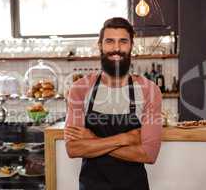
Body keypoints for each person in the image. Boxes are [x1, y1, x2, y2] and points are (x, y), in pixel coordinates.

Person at [64, 17, 162, 190]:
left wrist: (93, 140)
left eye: (123, 41)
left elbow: (149, 154)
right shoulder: (80, 89)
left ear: (131, 45)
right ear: (100, 45)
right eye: (109, 41)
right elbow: (73, 149)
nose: (116, 48)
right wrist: (126, 138)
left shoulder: (149, 91)